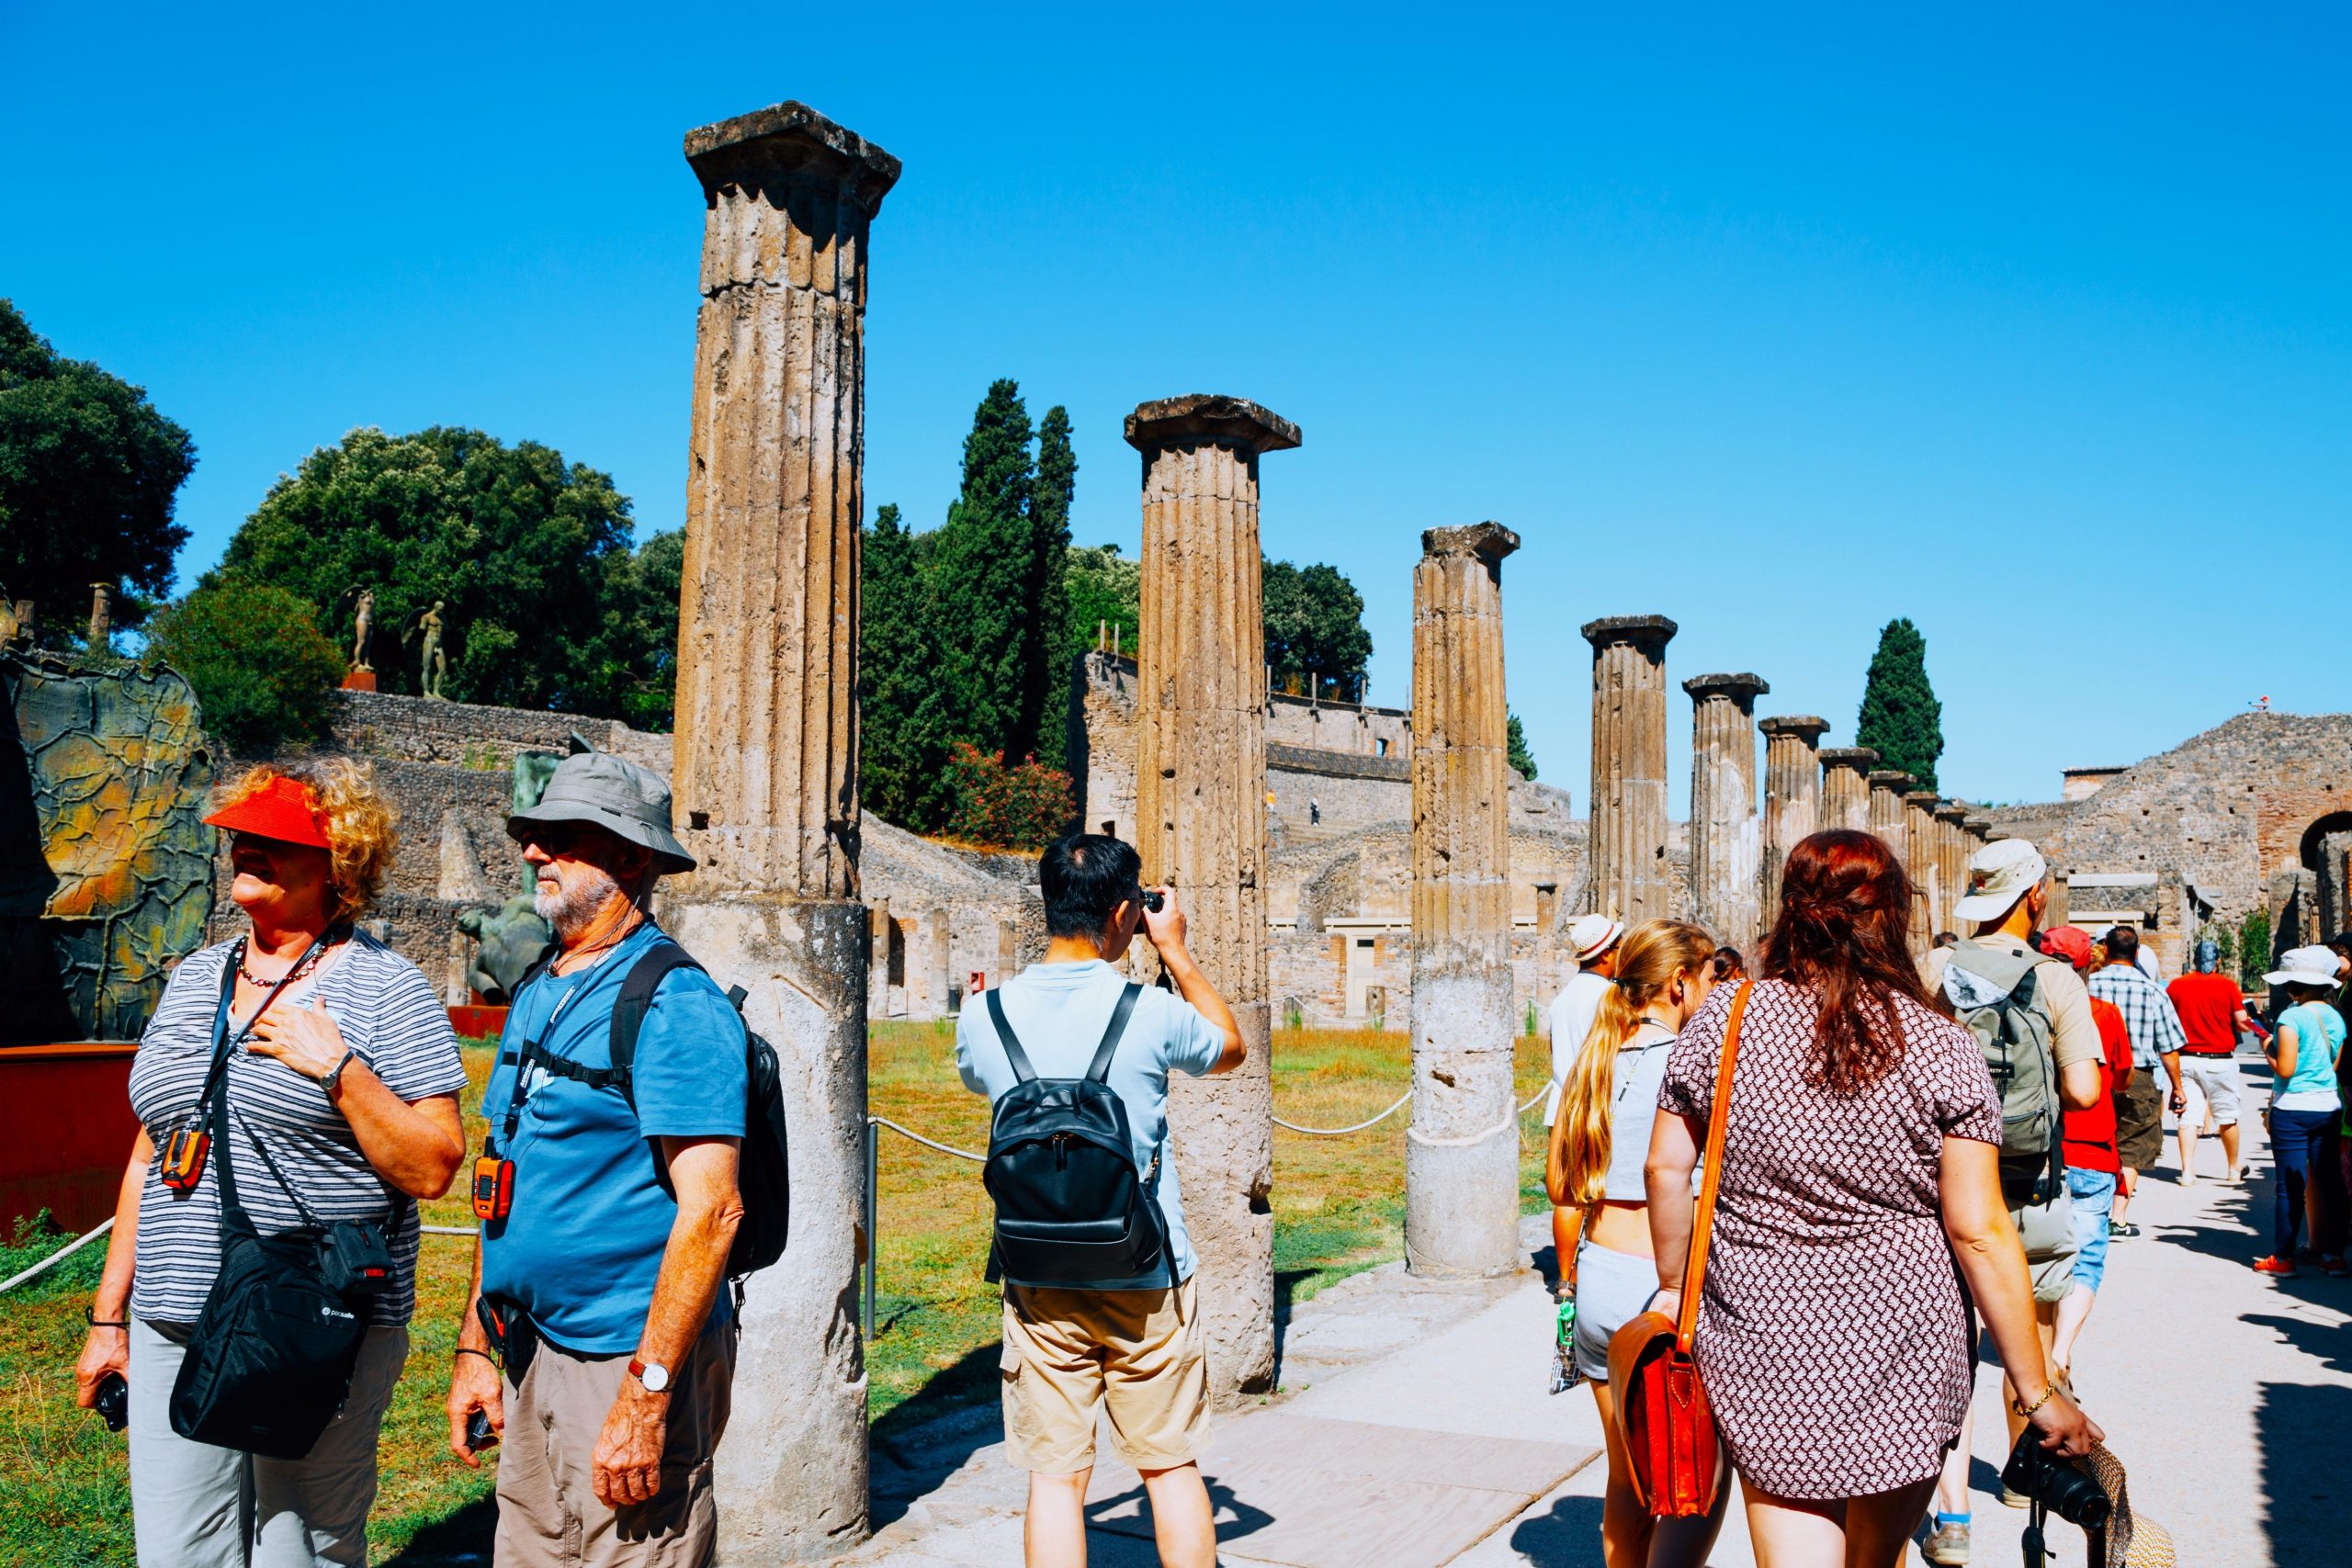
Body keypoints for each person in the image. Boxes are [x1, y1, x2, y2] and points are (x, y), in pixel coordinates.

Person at [1644, 831, 2098, 1568]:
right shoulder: (1941, 1044)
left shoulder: (1725, 1018)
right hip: (1906, 1344)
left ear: (1790, 909)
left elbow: (1666, 1168)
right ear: (1894, 915)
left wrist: (1673, 1285)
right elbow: (1979, 1230)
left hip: (1763, 1335)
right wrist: (2036, 1389)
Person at [76, 761, 467, 1568]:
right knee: (178, 1554)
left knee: (301, 1550)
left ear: (339, 865)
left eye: (276, 840)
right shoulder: (195, 977)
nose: (246, 849)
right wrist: (110, 1316)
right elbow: (151, 1146)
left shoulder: (387, 988)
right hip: (175, 1314)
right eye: (241, 835)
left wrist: (339, 1068)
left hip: (311, 1319)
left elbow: (434, 1166)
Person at [447, 750, 749, 1566]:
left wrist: (646, 1397)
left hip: (625, 1358)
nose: (532, 851)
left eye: (562, 837)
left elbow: (713, 1211)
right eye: (532, 833)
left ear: (631, 857)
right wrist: (477, 1342)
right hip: (532, 1346)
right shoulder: (540, 987)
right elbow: (502, 1177)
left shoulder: (676, 1003)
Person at [956, 833, 1245, 1568]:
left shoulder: (985, 1015)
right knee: (1168, 1466)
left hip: (1038, 1268)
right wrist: (1175, 949)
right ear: (1124, 912)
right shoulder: (1151, 1011)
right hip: (1145, 1267)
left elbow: (976, 1080)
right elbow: (1230, 1045)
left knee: (1055, 1477)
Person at [1917, 837, 2108, 1563]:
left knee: (1950, 1350)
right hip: (2027, 1186)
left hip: (1943, 1182)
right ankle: (2026, 1476)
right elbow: (2084, 1089)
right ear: (2036, 895)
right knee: (2029, 1334)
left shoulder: (1936, 967)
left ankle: (1953, 1515)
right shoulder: (2056, 978)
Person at [1544, 919, 1728, 1568]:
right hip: (1661, 1286)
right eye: (1709, 978)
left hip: (1599, 1277)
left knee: (1627, 1476)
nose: (1715, 992)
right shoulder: (1692, 1065)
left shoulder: (1596, 1058)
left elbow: (1559, 1184)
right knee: (1694, 1481)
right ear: (1679, 982)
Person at [2038, 927, 2131, 1382]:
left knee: (2037, 1249)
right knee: (2087, 1256)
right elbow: (2122, 1076)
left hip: (2039, 1147)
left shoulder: (2024, 1012)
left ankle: (2035, 1343)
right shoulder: (2103, 1014)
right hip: (2092, 1145)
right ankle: (2060, 1351)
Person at [2086, 926, 2186, 1235]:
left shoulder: (2087, 984)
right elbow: (2168, 1048)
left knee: (2092, 1141)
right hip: (2137, 1076)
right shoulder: (2153, 991)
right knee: (2133, 1145)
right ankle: (2117, 1217)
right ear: (2137, 953)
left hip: (2091, 1071)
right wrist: (2178, 1088)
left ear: (2106, 949)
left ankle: (2090, 1211)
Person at [2254, 947, 2347, 1279]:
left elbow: (2286, 1068)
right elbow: (2332, 1067)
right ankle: (2334, 1256)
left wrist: (2267, 1048)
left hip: (2292, 1108)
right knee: (2331, 1182)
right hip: (2328, 1106)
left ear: (2293, 985)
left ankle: (2283, 1257)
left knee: (2289, 1185)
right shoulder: (2336, 1017)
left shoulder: (2291, 1018)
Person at [1546, 915, 1626, 1282]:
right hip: (1596, 1102)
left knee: (1567, 1196)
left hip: (1561, 1101)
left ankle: (1565, 1277)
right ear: (1607, 953)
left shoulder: (1563, 998)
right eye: (1619, 947)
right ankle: (1595, 1270)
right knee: (1598, 1192)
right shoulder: (1609, 997)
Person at [2166, 939, 2262, 1184]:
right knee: (2227, 1116)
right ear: (2218, 960)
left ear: (2195, 959)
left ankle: (2187, 1172)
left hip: (2186, 1059)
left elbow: (2168, 1018)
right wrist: (2256, 1021)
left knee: (2188, 1117)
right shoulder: (2228, 986)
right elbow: (2242, 1023)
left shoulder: (2176, 986)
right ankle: (2233, 1168)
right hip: (2220, 1060)